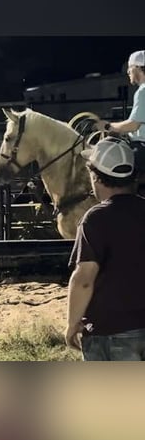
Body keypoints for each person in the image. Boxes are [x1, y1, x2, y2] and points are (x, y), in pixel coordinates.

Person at [65, 136, 145, 360]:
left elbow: (84, 279)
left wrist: (72, 324)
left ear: (95, 177)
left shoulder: (96, 219)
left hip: (110, 331)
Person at [97, 50, 145, 171]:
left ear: (138, 68)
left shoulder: (143, 91)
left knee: (106, 162)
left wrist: (108, 126)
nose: (128, 72)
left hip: (142, 148)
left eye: (130, 68)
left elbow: (133, 126)